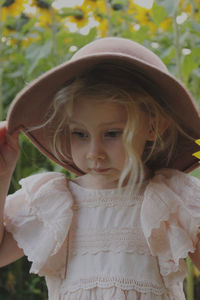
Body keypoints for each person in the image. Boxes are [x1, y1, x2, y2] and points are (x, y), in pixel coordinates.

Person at [0, 37, 200, 300]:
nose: (94, 153)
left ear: (153, 127)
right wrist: (3, 174)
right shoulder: (54, 202)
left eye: (112, 133)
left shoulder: (170, 199)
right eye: (80, 134)